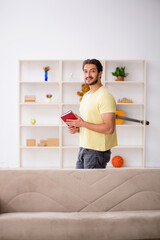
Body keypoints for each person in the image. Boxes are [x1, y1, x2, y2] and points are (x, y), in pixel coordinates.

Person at [67, 59, 117, 169]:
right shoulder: (86, 96)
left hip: (97, 152)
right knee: (79, 184)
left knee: (92, 186)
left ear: (100, 74)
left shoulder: (105, 96)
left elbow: (109, 128)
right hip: (83, 148)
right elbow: (88, 122)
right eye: (85, 71)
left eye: (92, 71)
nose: (88, 75)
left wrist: (83, 124)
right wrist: (77, 128)